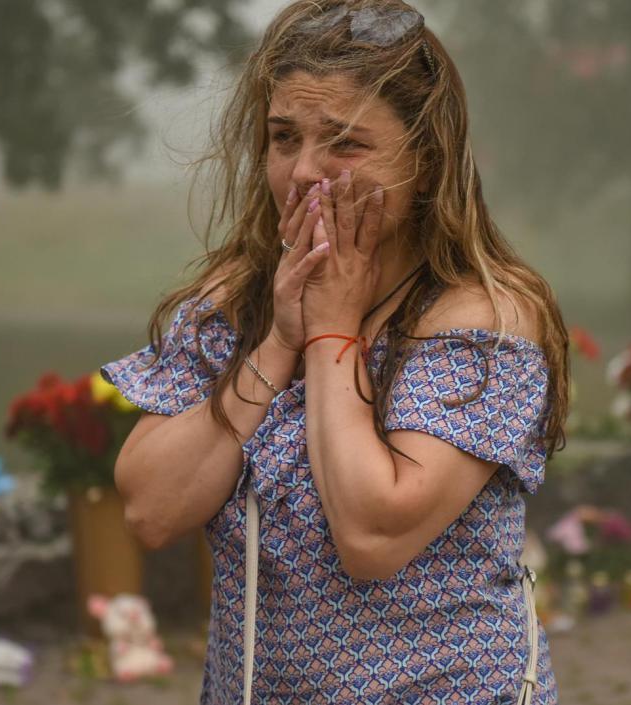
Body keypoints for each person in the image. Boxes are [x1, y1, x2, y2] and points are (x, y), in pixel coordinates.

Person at [100, 1, 569, 702]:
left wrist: (331, 335)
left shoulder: (484, 320)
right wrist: (278, 339)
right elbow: (150, 508)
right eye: (284, 138)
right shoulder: (238, 301)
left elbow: (373, 534)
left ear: (424, 157)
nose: (304, 171)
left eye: (345, 144)